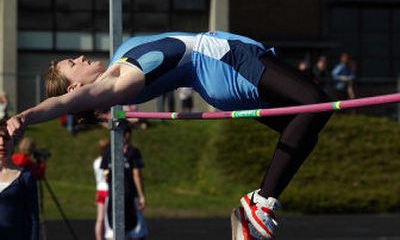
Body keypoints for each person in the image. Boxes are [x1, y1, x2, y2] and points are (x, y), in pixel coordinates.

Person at [7, 31, 332, 239]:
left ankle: (254, 208)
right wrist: (26, 115)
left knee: (307, 125)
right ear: (76, 86)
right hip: (226, 60)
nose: (79, 57)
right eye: (71, 63)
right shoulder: (119, 80)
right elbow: (65, 102)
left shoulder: (118, 66)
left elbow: (86, 104)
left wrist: (104, 113)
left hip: (223, 71)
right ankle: (259, 203)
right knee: (317, 104)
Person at [101, 124, 147, 240]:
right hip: (129, 195)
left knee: (113, 231)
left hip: (113, 195)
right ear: (127, 134)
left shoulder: (108, 151)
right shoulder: (133, 151)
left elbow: (105, 175)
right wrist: (142, 196)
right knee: (136, 232)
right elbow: (136, 175)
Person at [0, 123, 39, 240]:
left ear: (13, 142)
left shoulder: (25, 177)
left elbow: (33, 219)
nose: (2, 142)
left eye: (6, 138)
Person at [93, 138, 110, 240]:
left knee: (100, 218)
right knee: (107, 218)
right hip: (107, 190)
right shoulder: (107, 161)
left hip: (99, 189)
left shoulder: (96, 162)